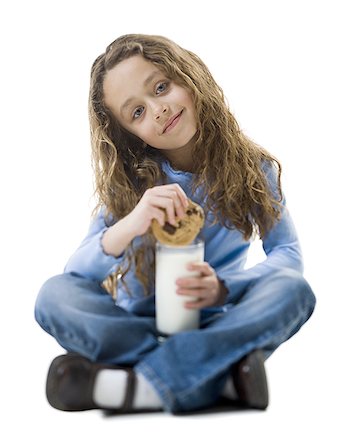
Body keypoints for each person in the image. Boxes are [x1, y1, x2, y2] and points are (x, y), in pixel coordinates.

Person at [34, 34, 316, 414]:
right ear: (128, 134)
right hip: (133, 327)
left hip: (211, 322)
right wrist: (132, 222)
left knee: (293, 291)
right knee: (54, 295)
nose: (158, 110)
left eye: (161, 88)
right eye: (137, 112)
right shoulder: (130, 185)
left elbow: (287, 254)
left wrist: (223, 289)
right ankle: (213, 376)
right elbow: (77, 275)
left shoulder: (253, 167)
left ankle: (135, 385)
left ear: (188, 77)